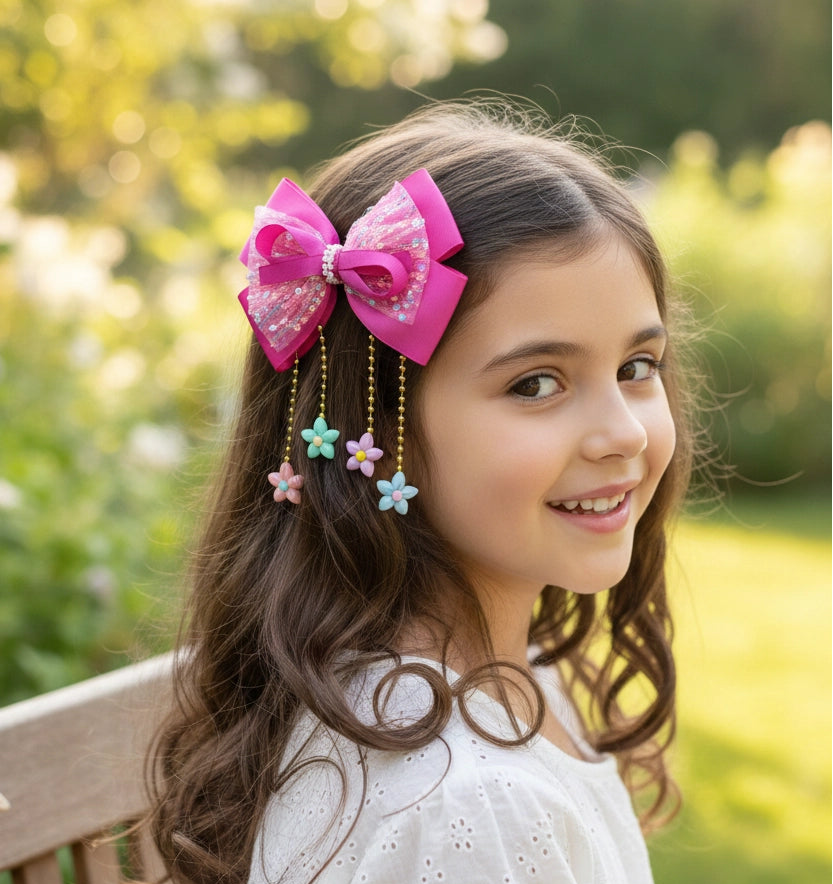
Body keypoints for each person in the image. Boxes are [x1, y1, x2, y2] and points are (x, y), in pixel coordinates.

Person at [147, 98, 699, 883]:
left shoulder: (489, 674)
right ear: (375, 430)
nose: (626, 433)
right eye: (537, 383)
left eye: (636, 368)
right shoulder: (470, 806)